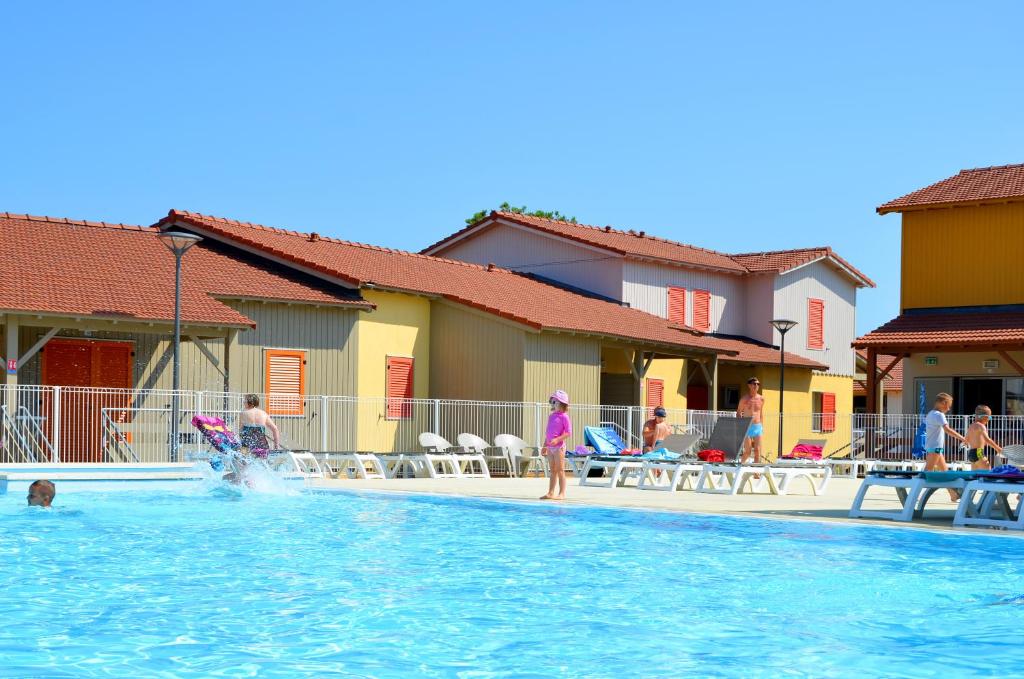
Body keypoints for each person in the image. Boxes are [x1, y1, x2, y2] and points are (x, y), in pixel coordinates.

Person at [924, 392, 968, 499]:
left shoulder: (930, 413)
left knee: (945, 473)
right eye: (948, 406)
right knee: (926, 473)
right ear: (943, 403)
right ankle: (914, 495)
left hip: (933, 447)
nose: (948, 409)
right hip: (936, 448)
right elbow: (948, 430)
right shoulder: (939, 415)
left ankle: (953, 495)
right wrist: (963, 438)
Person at [540, 390, 572, 501]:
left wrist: (558, 439)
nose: (553, 404)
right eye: (552, 402)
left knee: (560, 470)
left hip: (559, 447)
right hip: (550, 447)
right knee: (552, 470)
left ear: (562, 404)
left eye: (555, 402)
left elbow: (568, 432)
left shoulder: (564, 417)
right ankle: (550, 492)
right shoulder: (551, 416)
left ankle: (562, 493)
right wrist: (545, 445)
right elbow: (548, 432)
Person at [964, 405, 1002, 471]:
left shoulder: (971, 426)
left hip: (971, 453)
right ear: (984, 417)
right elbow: (987, 440)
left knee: (975, 476)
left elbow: (966, 440)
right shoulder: (981, 426)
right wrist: (998, 448)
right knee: (987, 473)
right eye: (989, 417)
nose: (989, 420)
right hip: (979, 452)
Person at [738, 377, 764, 463]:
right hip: (747, 426)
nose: (756, 385)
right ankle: (739, 467)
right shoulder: (744, 399)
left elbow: (761, 413)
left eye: (758, 384)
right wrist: (741, 426)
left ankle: (756, 474)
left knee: (757, 451)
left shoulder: (761, 399)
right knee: (748, 452)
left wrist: (762, 426)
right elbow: (738, 413)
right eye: (754, 384)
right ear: (749, 385)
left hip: (757, 427)